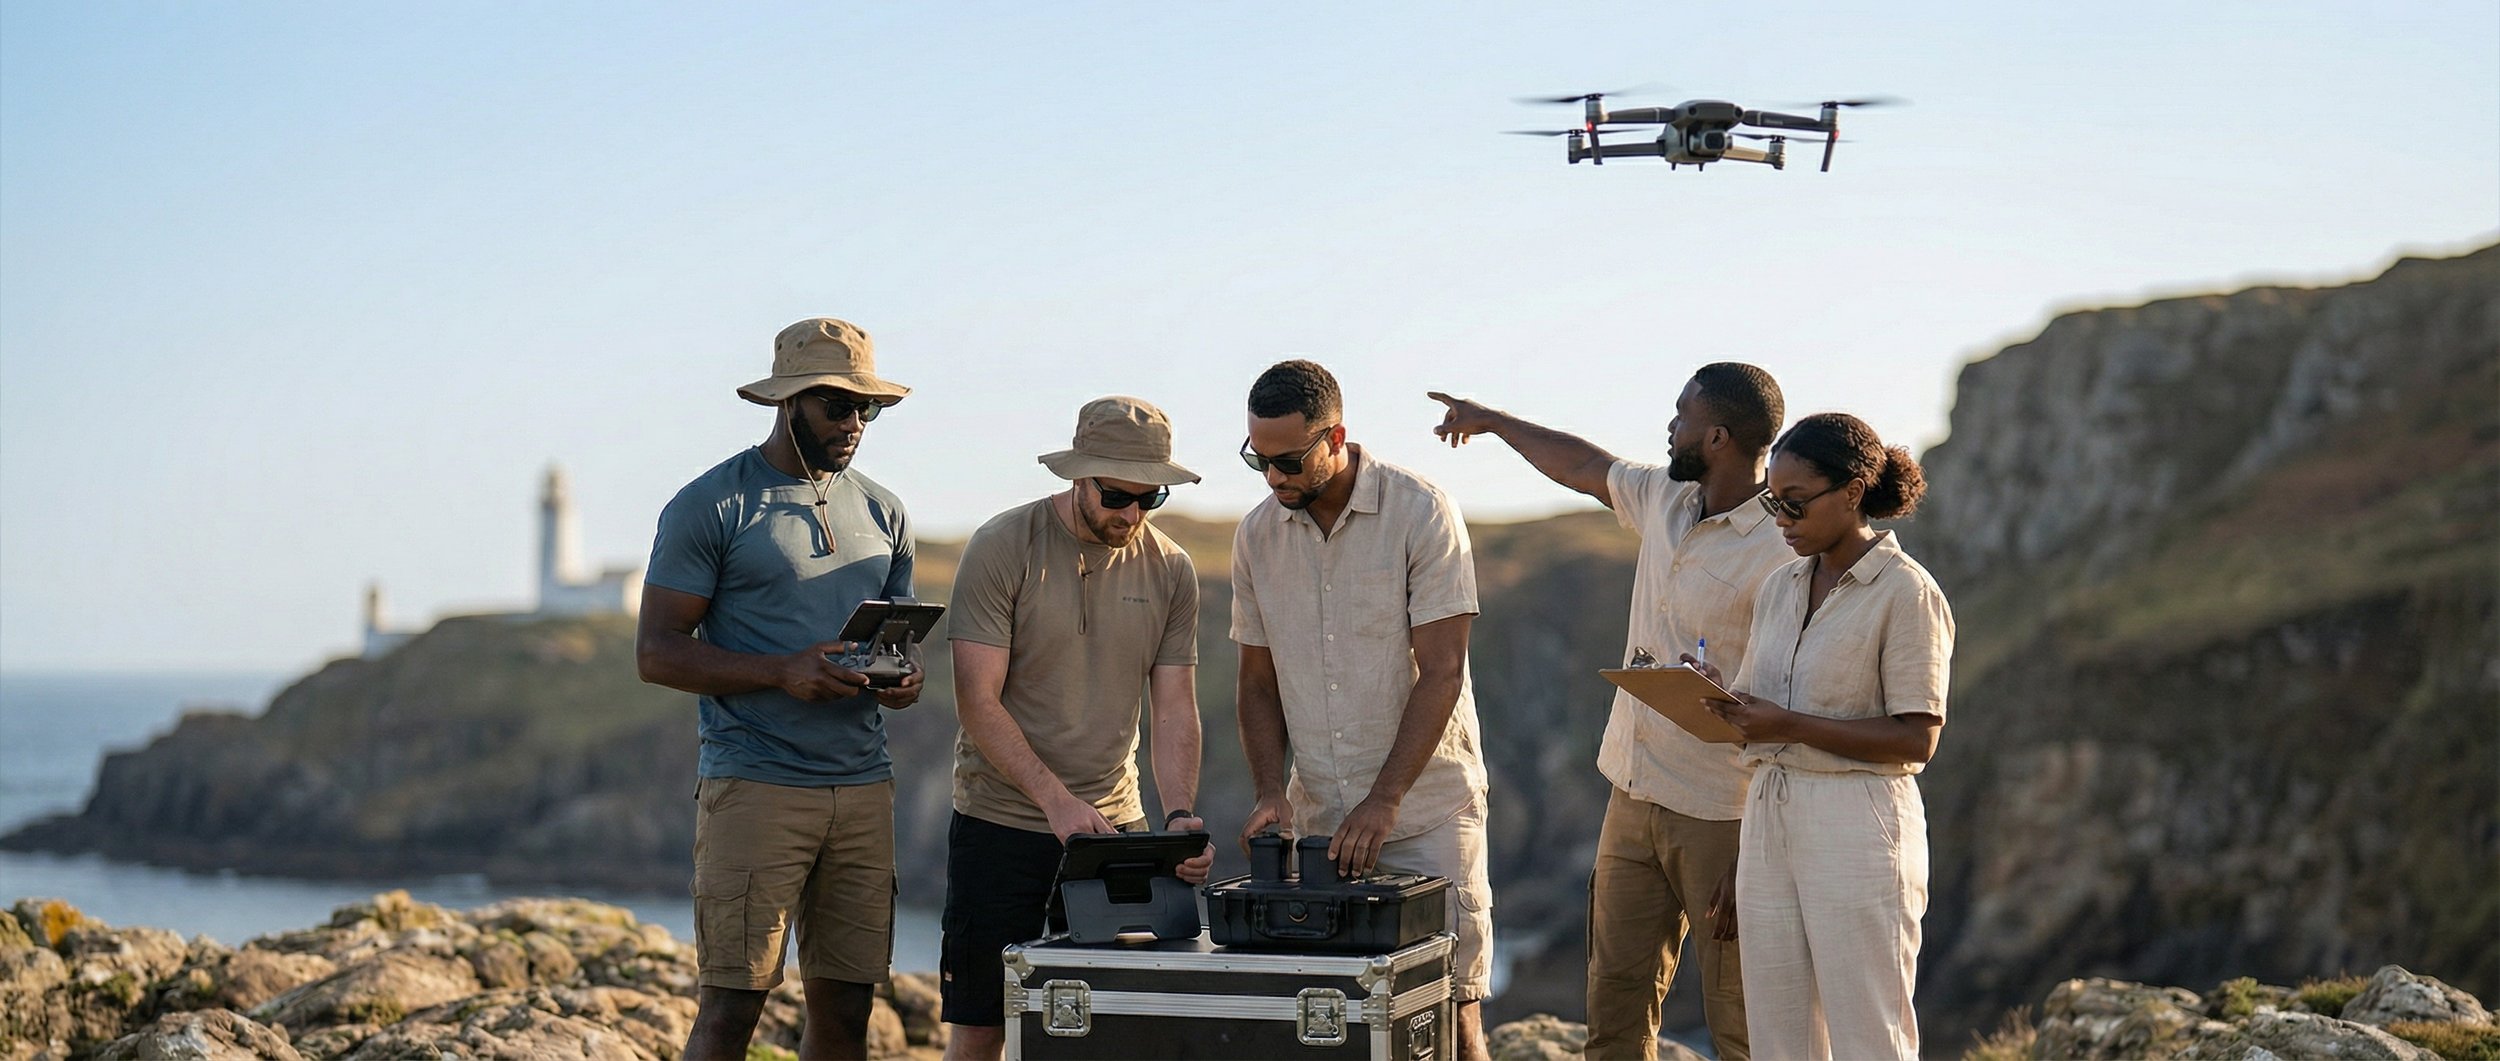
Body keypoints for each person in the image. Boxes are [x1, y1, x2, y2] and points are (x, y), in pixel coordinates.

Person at [1428, 364, 1789, 1061]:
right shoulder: (1667, 496)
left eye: (1682, 415)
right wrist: (1495, 422)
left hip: (1726, 814)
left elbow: (1799, 692)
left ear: (1717, 437)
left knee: (1744, 1018)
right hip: (1631, 792)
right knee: (1615, 1008)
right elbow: (1586, 467)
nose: (1670, 426)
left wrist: (1761, 841)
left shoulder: (1783, 546)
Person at [636, 318, 922, 1061]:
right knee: (732, 1010)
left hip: (863, 787)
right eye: (838, 405)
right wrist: (780, 670)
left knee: (848, 1013)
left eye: (869, 408)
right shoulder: (712, 504)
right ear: (788, 401)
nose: (855, 423)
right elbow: (657, 653)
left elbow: (893, 640)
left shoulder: (885, 510)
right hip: (755, 784)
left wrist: (901, 677)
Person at [1231, 359, 1496, 1061]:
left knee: (1454, 1016)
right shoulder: (1255, 535)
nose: (1272, 478)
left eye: (1288, 461)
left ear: (1335, 438)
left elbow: (1442, 670)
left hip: (1427, 815)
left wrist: (1385, 799)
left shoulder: (1421, 511)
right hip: (1318, 824)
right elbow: (1257, 681)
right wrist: (1269, 790)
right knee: (1332, 1022)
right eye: (1258, 459)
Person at [938, 396, 1215, 1060]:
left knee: (1112, 1025)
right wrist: (1055, 801)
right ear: (1079, 477)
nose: (1132, 514)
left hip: (1115, 830)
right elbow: (978, 701)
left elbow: (1174, 707)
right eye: (1116, 495)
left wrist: (1179, 815)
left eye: (1150, 498)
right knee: (982, 1027)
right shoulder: (1002, 546)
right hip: (1000, 822)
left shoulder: (1172, 568)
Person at [1685, 411, 1954, 1061]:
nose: (1781, 518)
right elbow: (1763, 714)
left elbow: (1916, 739)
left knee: (1869, 1032)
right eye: (1773, 502)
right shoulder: (1779, 586)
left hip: (1857, 819)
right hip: (1770, 813)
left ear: (1853, 492)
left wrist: (1789, 725)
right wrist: (1718, 695)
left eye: (1796, 502)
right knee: (1778, 1036)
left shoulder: (1906, 592)